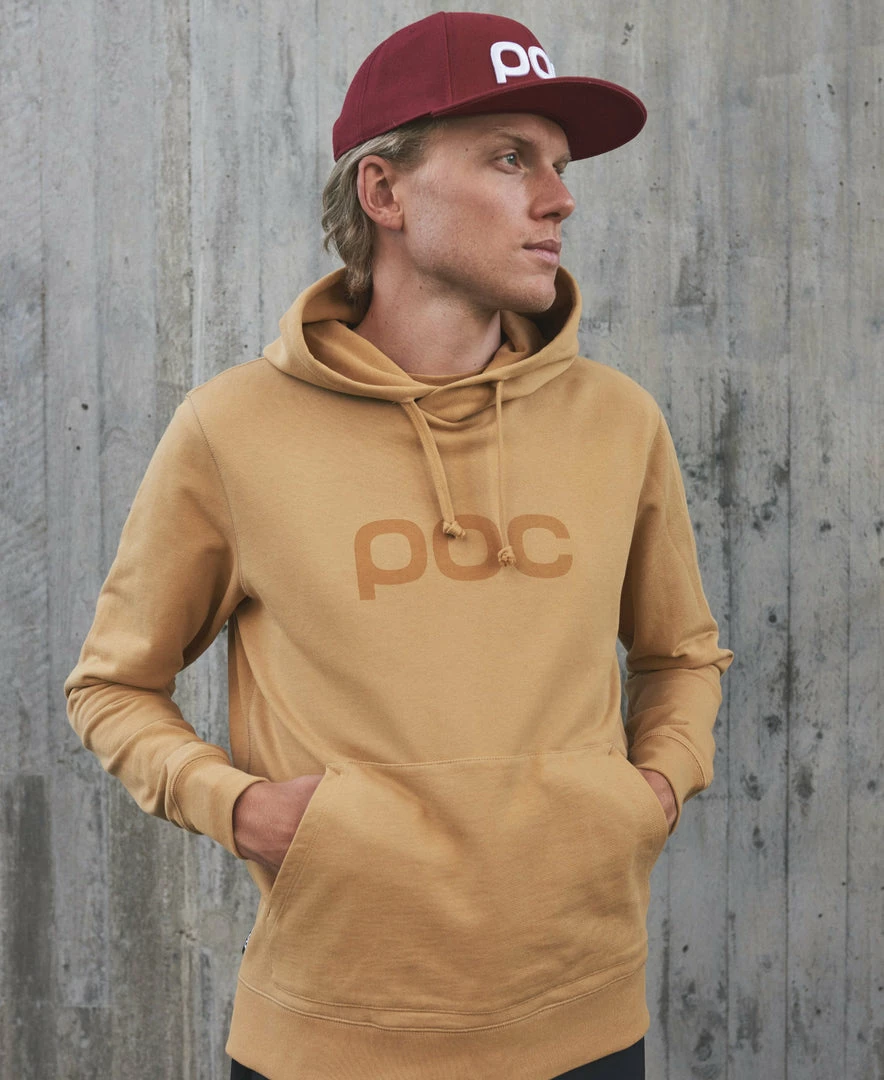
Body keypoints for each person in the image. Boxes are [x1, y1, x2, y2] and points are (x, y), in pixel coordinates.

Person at [64, 11, 734, 1080]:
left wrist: (651, 789)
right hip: (332, 1036)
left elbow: (680, 654)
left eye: (559, 167)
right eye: (510, 158)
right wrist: (240, 808)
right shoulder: (233, 430)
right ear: (384, 192)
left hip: (586, 1021)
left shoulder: (618, 421)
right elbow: (112, 686)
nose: (558, 198)